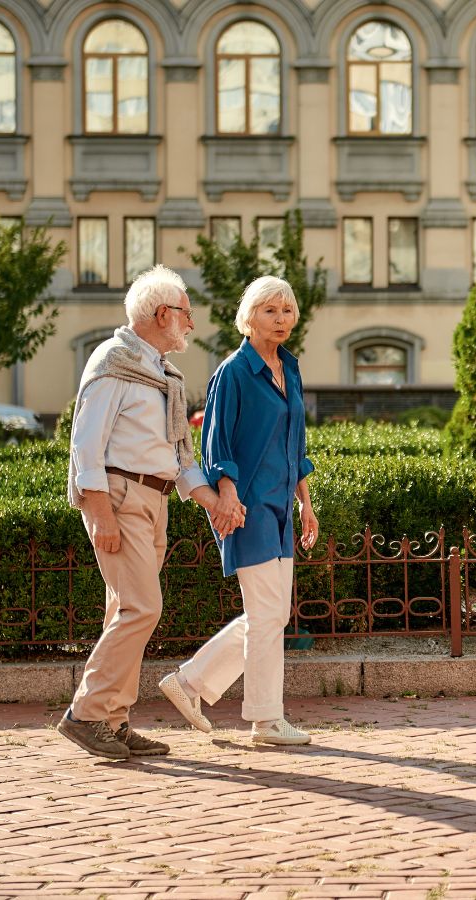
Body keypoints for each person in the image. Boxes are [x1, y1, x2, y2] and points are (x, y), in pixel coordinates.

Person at [58, 265, 239, 761]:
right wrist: (98, 514)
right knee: (143, 608)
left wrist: (216, 501)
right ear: (163, 314)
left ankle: (113, 721)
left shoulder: (163, 374)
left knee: (125, 611)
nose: (191, 324)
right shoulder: (113, 360)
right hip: (119, 497)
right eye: (186, 313)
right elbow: (85, 446)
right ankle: (87, 714)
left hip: (153, 500)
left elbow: (178, 461)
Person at [159, 275, 319, 747]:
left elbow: (297, 443)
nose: (281, 319)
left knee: (272, 614)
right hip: (245, 505)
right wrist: (226, 494)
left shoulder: (289, 369)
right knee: (268, 613)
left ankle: (189, 684)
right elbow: (215, 442)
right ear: (248, 317)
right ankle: (267, 722)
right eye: (270, 311)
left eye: (287, 310)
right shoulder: (231, 372)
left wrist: (306, 504)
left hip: (281, 508)